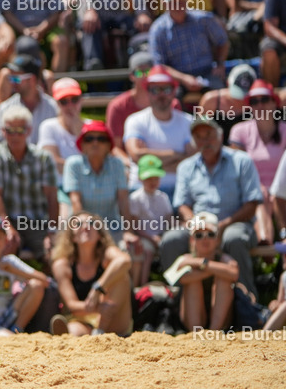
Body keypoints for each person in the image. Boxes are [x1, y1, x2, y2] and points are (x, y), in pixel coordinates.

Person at [161, 115, 263, 296]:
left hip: (234, 223)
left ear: (220, 136)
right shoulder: (186, 166)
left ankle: (246, 298)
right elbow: (182, 205)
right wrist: (196, 225)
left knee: (234, 237)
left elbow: (252, 204)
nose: (205, 141)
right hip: (198, 226)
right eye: (199, 137)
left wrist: (223, 225)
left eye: (208, 135)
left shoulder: (242, 161)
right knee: (172, 239)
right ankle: (174, 297)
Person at [0, 105, 60, 261]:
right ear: (3, 132)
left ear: (29, 131)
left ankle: (47, 277)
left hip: (38, 223)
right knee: (3, 250)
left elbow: (52, 197)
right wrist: (8, 228)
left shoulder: (44, 158)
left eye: (20, 130)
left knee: (56, 256)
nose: (15, 136)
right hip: (5, 221)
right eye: (10, 131)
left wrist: (52, 231)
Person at [50, 212, 133, 336]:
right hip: (84, 320)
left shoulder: (107, 254)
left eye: (91, 223)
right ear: (72, 237)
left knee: (121, 275)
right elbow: (72, 305)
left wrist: (98, 288)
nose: (85, 227)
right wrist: (99, 307)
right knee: (74, 330)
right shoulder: (63, 265)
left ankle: (100, 330)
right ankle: (71, 336)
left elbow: (125, 261)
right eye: (78, 224)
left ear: (99, 235)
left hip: (114, 321)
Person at [229, 79, 286, 245]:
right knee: (260, 196)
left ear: (274, 103)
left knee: (274, 196)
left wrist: (276, 191)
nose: (260, 105)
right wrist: (258, 187)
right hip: (252, 192)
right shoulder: (239, 131)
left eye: (264, 99)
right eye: (254, 101)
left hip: (283, 192)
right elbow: (237, 169)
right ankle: (266, 243)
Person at [123, 65, 196, 195]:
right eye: (155, 90)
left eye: (166, 89)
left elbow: (192, 161)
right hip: (142, 191)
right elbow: (136, 155)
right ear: (148, 92)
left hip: (180, 191)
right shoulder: (135, 120)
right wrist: (176, 155)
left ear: (174, 91)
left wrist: (150, 164)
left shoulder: (188, 121)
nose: (161, 94)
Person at [148, 0, 229, 94]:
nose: (179, 6)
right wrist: (184, 78)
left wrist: (219, 65)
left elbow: (223, 42)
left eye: (182, 1)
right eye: (174, 2)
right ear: (165, 4)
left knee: (221, 95)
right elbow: (159, 65)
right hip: (177, 79)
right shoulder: (157, 30)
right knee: (169, 96)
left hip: (208, 73)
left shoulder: (204, 19)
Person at [165, 212, 238, 331]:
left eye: (210, 234)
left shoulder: (223, 258)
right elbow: (182, 278)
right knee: (193, 282)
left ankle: (214, 332)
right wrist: (215, 269)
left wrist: (202, 264)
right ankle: (197, 332)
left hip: (222, 319)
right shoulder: (187, 258)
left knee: (224, 281)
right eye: (199, 235)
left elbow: (234, 273)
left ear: (217, 239)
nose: (205, 239)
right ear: (192, 240)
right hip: (191, 317)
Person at [63, 120, 133, 243]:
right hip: (82, 227)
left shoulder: (117, 165)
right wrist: (86, 229)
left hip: (112, 228)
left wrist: (129, 231)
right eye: (89, 139)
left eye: (101, 139)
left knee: (131, 248)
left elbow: (123, 200)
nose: (95, 143)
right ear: (82, 145)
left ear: (108, 145)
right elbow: (75, 201)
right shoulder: (73, 164)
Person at [127, 155, 175, 288]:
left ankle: (170, 283)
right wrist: (152, 238)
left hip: (162, 236)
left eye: (155, 178)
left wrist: (166, 234)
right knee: (147, 251)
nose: (152, 182)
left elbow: (169, 220)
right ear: (140, 178)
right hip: (145, 236)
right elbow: (135, 225)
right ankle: (143, 286)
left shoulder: (163, 197)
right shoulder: (135, 198)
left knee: (172, 245)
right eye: (149, 178)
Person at [38, 78, 86, 178]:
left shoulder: (92, 126)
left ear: (81, 100)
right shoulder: (48, 126)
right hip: (59, 185)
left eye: (74, 99)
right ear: (57, 103)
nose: (70, 105)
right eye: (64, 101)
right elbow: (53, 163)